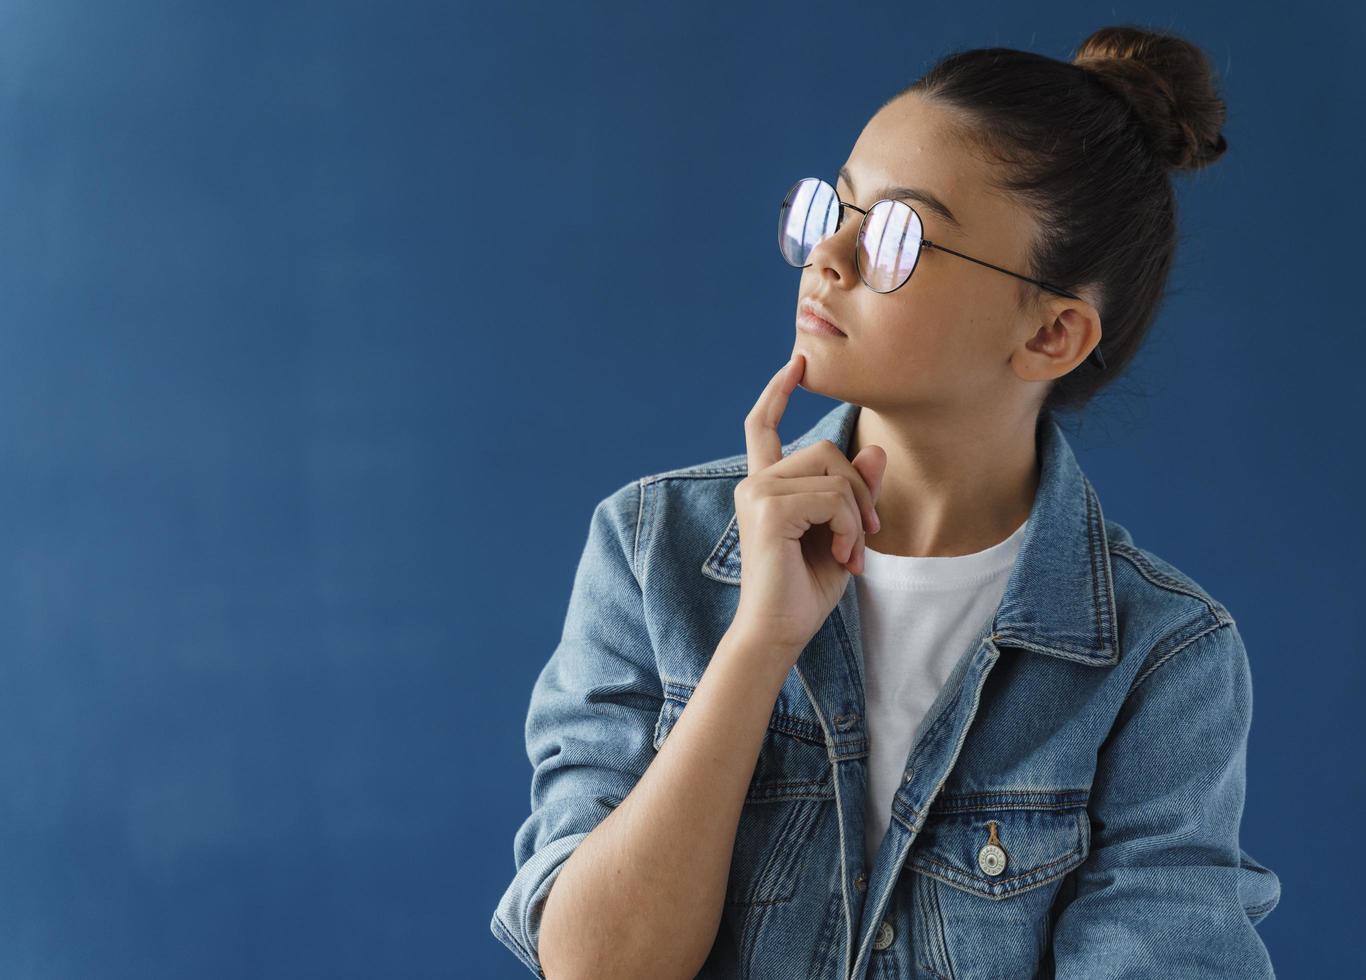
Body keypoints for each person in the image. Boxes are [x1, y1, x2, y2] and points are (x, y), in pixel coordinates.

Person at [492, 24, 1281, 980]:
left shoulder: (1164, 661)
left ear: (1052, 335)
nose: (828, 255)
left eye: (899, 234)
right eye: (838, 206)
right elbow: (596, 965)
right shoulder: (651, 551)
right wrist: (755, 648)